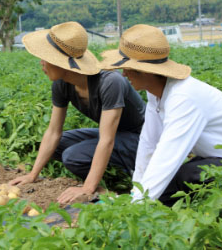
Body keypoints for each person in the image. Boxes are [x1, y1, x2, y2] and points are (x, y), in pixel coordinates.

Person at [99, 24, 222, 206]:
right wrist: (136, 189)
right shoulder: (156, 92)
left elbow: (167, 155)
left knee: (182, 177)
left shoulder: (183, 97)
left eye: (128, 68)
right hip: (215, 156)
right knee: (165, 186)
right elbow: (148, 141)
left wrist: (137, 207)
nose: (124, 73)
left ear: (146, 71)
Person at [9, 21, 146, 204]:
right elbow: (53, 131)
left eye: (46, 58)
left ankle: (100, 188)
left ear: (63, 63)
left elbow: (107, 140)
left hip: (143, 139)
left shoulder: (110, 83)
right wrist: (33, 174)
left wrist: (86, 188)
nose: (42, 63)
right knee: (57, 145)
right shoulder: (61, 84)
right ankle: (101, 186)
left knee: (73, 156)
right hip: (117, 135)